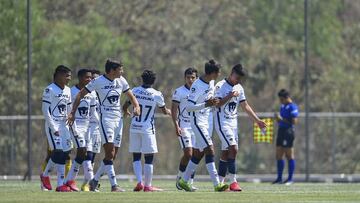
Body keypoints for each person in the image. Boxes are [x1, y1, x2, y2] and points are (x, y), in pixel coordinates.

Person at [68, 59, 140, 192]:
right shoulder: (98, 81)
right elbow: (80, 95)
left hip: (118, 120)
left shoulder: (121, 80)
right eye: (120, 69)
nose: (122, 71)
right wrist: (72, 112)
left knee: (112, 155)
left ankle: (94, 180)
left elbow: (130, 95)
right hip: (105, 120)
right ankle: (114, 185)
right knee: (110, 152)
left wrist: (136, 105)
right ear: (112, 70)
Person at [214, 64, 266, 191]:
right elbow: (217, 104)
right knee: (234, 148)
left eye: (239, 79)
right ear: (231, 73)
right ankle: (233, 182)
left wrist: (257, 121)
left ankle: (220, 183)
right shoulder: (220, 86)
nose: (237, 81)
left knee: (226, 152)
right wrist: (230, 95)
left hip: (233, 124)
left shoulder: (239, 88)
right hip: (222, 123)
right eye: (236, 77)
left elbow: (245, 106)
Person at [178, 59, 228, 192]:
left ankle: (184, 181)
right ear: (212, 73)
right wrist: (206, 104)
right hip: (197, 122)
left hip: (207, 121)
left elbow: (210, 99)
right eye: (218, 72)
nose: (219, 74)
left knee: (198, 153)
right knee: (210, 149)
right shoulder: (197, 85)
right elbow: (188, 108)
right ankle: (217, 184)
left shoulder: (211, 82)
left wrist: (214, 101)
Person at [123, 70, 171, 192]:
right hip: (147, 129)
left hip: (134, 127)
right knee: (149, 157)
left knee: (136, 155)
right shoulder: (156, 94)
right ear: (154, 81)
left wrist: (126, 111)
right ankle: (148, 185)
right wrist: (172, 112)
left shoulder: (134, 91)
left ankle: (139, 182)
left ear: (142, 79)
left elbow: (125, 105)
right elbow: (164, 111)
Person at [40, 65, 73, 192]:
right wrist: (53, 127)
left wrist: (71, 123)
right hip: (53, 125)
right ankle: (52, 180)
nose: (69, 78)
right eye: (67, 76)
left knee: (64, 154)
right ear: (59, 75)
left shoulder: (68, 90)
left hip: (64, 127)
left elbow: (69, 108)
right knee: (58, 151)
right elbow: (45, 110)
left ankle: (53, 180)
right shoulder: (49, 90)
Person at [64, 69, 97, 191]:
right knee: (82, 150)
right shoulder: (72, 92)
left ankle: (69, 181)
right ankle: (69, 181)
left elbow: (93, 113)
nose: (89, 79)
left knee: (83, 154)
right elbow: (69, 111)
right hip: (75, 125)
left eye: (90, 78)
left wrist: (100, 124)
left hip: (87, 127)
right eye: (86, 77)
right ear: (80, 78)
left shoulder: (91, 93)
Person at [171, 67, 200, 191]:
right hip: (184, 126)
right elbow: (173, 110)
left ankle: (189, 182)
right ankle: (180, 177)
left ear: (196, 78)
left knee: (195, 155)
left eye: (193, 77)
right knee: (188, 154)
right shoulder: (179, 92)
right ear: (185, 78)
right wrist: (176, 125)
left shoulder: (200, 91)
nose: (190, 80)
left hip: (196, 127)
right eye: (188, 77)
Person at [81, 69, 102, 192]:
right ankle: (92, 183)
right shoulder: (86, 93)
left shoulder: (101, 94)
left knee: (93, 157)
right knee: (87, 156)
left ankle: (86, 184)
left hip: (98, 129)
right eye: (93, 79)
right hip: (87, 127)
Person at [273, 89, 299, 185]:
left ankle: (290, 179)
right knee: (278, 155)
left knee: (289, 155)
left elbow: (294, 122)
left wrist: (282, 119)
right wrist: (278, 119)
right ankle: (279, 179)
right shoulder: (283, 106)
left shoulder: (293, 107)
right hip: (281, 131)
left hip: (288, 132)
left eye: (281, 99)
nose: (280, 101)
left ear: (286, 98)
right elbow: (281, 121)